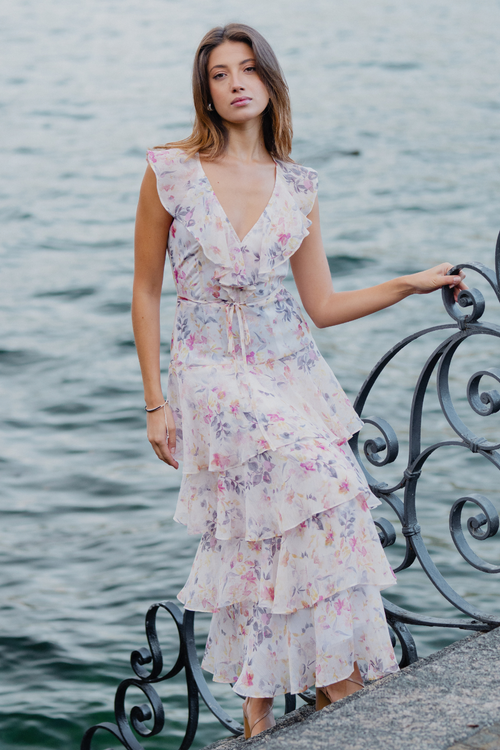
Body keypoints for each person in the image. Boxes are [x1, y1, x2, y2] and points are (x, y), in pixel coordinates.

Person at [132, 23, 466, 739]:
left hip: (292, 373)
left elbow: (321, 305)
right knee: (330, 484)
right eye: (219, 74)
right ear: (207, 93)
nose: (235, 83)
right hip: (212, 373)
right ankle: (337, 685)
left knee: (273, 528)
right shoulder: (172, 171)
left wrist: (408, 283)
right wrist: (155, 402)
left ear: (270, 81)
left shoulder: (299, 185)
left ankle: (264, 700)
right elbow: (145, 289)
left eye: (247, 69)